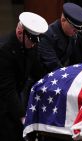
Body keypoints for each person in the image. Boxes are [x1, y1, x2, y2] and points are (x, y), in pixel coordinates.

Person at [0, 12, 48, 141]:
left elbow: (37, 70)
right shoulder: (4, 51)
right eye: (32, 40)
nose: (34, 45)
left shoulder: (30, 44)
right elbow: (8, 90)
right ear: (20, 33)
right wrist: (22, 117)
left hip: (15, 97)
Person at [37, 2, 82, 73]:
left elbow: (76, 59)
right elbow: (53, 65)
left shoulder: (71, 34)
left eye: (78, 30)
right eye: (74, 29)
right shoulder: (47, 35)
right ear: (63, 20)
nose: (76, 32)